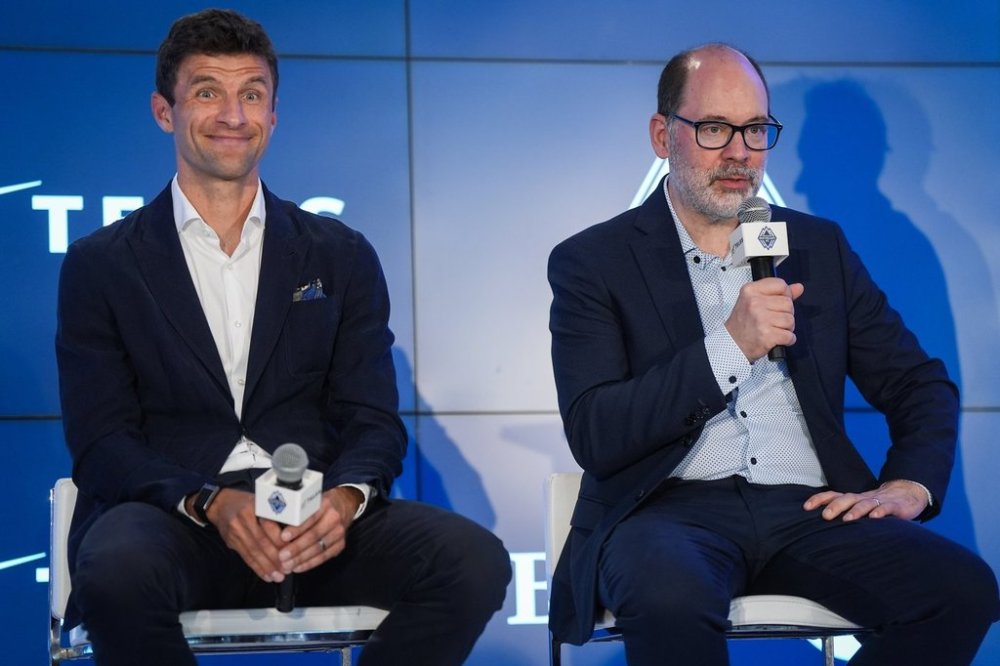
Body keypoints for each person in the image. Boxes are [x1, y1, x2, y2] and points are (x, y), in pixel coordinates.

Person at [55, 9, 510, 665]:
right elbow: (102, 443)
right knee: (116, 567)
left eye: (252, 94)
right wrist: (211, 503)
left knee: (472, 560)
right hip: (176, 524)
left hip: (316, 527)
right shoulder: (102, 264)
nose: (232, 115)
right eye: (207, 91)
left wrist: (344, 502)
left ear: (273, 116)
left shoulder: (340, 254)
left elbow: (373, 422)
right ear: (164, 112)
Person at [546, 43, 998, 665]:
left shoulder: (816, 246)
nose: (740, 151)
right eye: (714, 128)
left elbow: (918, 383)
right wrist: (731, 346)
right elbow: (596, 432)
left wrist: (909, 484)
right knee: (669, 599)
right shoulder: (595, 261)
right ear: (662, 135)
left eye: (755, 129)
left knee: (962, 590)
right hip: (666, 511)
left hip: (808, 509)